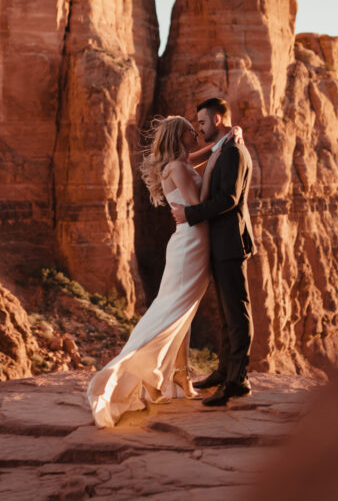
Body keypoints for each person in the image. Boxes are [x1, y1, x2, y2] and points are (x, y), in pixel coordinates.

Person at [86, 115, 211, 427]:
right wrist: (215, 177)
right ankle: (133, 373)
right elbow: (198, 204)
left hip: (189, 244)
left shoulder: (178, 163)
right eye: (189, 129)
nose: (195, 132)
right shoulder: (179, 168)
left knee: (182, 313)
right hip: (191, 245)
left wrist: (224, 142)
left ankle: (179, 377)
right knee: (173, 312)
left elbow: (202, 155)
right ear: (178, 134)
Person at [170, 98, 255, 407]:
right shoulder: (223, 149)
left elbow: (229, 199)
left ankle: (237, 381)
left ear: (217, 119)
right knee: (226, 313)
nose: (200, 127)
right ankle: (223, 372)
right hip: (221, 243)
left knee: (237, 314)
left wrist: (189, 215)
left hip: (231, 242)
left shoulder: (232, 151)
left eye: (203, 122)